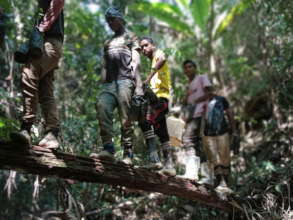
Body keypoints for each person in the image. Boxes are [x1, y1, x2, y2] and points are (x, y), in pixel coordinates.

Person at [11, 0, 64, 149]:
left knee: (29, 74)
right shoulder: (42, 10)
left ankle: (26, 128)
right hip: (50, 44)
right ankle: (52, 135)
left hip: (49, 43)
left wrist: (42, 27)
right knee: (46, 90)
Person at [92, 7, 143, 163]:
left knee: (126, 117)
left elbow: (135, 60)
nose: (110, 23)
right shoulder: (108, 42)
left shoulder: (130, 36)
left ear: (120, 19)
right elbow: (105, 65)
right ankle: (108, 148)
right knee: (102, 106)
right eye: (108, 21)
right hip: (109, 84)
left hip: (125, 80)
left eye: (112, 19)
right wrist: (102, 81)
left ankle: (128, 153)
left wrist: (139, 84)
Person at [139, 37, 176, 176]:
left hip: (161, 98)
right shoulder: (152, 60)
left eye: (146, 45)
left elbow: (163, 59)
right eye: (141, 47)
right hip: (158, 98)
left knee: (146, 122)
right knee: (162, 133)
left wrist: (148, 78)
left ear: (153, 45)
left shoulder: (158, 54)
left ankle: (154, 160)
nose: (143, 49)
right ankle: (169, 166)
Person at [181, 60, 214, 182]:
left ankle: (192, 172)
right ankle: (207, 177)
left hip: (202, 113)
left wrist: (196, 100)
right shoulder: (189, 84)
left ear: (195, 68)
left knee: (188, 139)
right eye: (186, 68)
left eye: (190, 66)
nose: (188, 69)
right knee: (199, 144)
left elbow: (211, 92)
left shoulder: (202, 77)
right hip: (192, 115)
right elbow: (187, 101)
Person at [202, 94, 237, 194]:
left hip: (220, 132)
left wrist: (234, 130)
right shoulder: (202, 101)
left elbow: (230, 113)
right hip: (211, 134)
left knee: (222, 158)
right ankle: (221, 184)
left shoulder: (221, 99)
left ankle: (224, 184)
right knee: (217, 159)